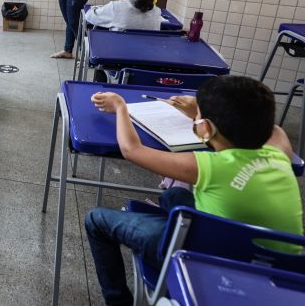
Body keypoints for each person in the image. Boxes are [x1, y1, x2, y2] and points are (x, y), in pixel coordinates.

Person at [85, 76, 302, 305]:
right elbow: (274, 129)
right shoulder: (279, 153)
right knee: (173, 196)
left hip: (209, 264)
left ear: (205, 127)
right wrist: (203, 114)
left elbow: (131, 149)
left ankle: (117, 301)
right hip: (281, 270)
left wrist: (120, 107)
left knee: (96, 220)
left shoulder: (209, 167)